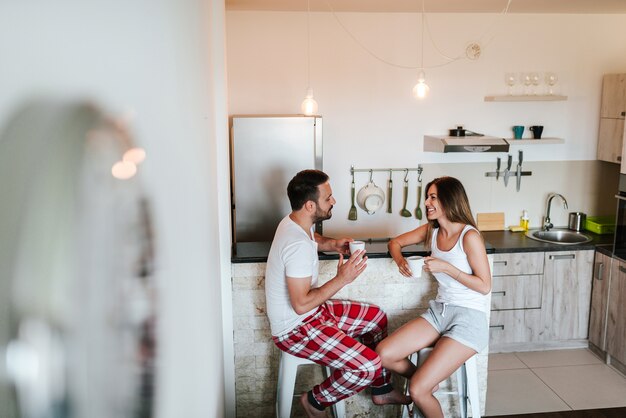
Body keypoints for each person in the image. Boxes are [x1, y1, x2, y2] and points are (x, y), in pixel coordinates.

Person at [265, 169, 410, 418]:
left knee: (375, 319)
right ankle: (315, 401)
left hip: (312, 313)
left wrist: (331, 244)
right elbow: (300, 304)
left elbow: (313, 238)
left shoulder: (296, 222)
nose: (333, 201)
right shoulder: (296, 245)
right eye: (328, 198)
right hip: (295, 329)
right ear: (310, 205)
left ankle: (382, 389)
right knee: (368, 366)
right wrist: (342, 279)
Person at [376, 176, 491, 418]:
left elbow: (484, 286)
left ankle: (423, 383)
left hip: (468, 319)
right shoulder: (432, 231)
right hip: (441, 312)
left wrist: (448, 268)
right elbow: (394, 242)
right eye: (427, 196)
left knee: (418, 390)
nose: (427, 202)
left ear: (449, 200)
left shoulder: (469, 236)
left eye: (433, 197)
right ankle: (426, 380)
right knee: (383, 354)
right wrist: (400, 262)